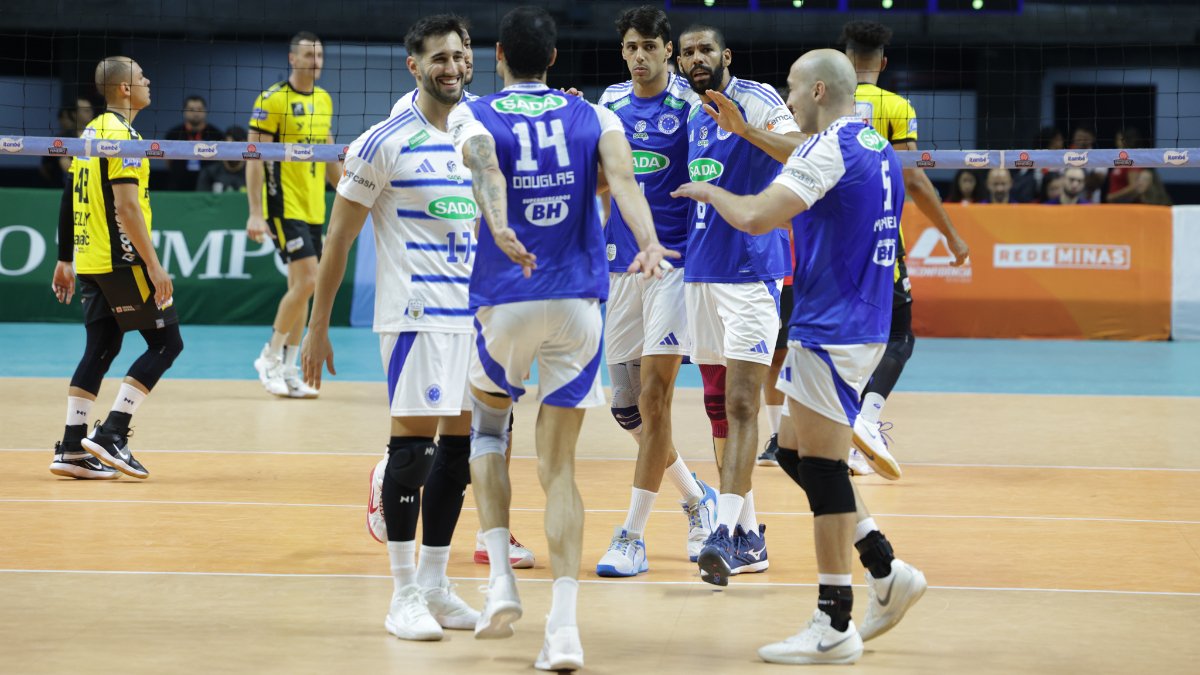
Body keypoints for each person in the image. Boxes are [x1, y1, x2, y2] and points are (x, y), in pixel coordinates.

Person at [673, 48, 926, 666]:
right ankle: (885, 569)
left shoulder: (827, 147)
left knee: (820, 467)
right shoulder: (873, 144)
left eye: (791, 88)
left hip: (831, 326)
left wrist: (710, 190)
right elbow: (807, 165)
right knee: (794, 454)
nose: (785, 100)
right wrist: (745, 131)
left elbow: (758, 217)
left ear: (817, 91)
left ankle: (834, 621)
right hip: (857, 320)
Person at [448, 6, 675, 670]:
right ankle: (565, 631)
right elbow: (627, 184)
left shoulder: (475, 113)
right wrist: (651, 241)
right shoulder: (596, 115)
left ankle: (500, 585)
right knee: (560, 469)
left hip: (508, 297)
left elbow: (486, 169)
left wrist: (499, 223)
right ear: (553, 59)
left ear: (496, 56)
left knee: (488, 432)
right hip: (580, 303)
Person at [302, 15, 481, 643]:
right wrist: (316, 325)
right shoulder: (384, 140)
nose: (452, 67)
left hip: (474, 317)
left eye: (460, 55)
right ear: (414, 65)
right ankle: (402, 593)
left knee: (461, 453)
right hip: (415, 319)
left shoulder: (475, 127)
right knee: (412, 454)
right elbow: (339, 238)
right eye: (439, 58)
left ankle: (436, 582)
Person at [672, 23, 804, 585]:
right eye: (689, 52)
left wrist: (744, 130)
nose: (697, 58)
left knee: (747, 405)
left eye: (706, 49)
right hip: (700, 272)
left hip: (751, 272)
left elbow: (803, 150)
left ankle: (723, 535)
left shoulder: (757, 99)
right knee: (720, 406)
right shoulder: (688, 112)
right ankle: (749, 534)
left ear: (726, 55)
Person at [591, 5, 716, 578]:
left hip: (673, 266)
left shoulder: (690, 108)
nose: (640, 56)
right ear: (623, 53)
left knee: (656, 399)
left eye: (650, 46)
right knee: (626, 406)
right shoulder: (608, 106)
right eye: (631, 47)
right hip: (621, 269)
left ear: (669, 50)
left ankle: (632, 536)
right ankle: (696, 498)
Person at [841, 20, 969, 479]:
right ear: (883, 62)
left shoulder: (823, 101)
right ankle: (865, 423)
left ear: (845, 54)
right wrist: (952, 236)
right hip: (878, 234)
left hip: (828, 236)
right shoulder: (895, 106)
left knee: (846, 335)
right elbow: (912, 176)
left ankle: (843, 442)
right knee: (899, 335)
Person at [49, 56, 183, 481]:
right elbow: (126, 207)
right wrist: (155, 266)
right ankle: (112, 434)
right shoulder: (121, 136)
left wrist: (66, 256)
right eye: (142, 77)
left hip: (90, 258)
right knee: (167, 344)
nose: (148, 82)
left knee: (101, 346)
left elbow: (70, 195)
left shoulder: (91, 132)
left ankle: (72, 447)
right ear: (124, 89)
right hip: (120, 259)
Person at [246, 31, 340, 399]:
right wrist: (256, 213)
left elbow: (329, 153)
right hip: (283, 205)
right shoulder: (272, 100)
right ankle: (269, 357)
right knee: (307, 282)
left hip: (315, 206)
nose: (315, 60)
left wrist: (351, 188)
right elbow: (254, 157)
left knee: (303, 289)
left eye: (319, 54)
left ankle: (287, 368)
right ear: (292, 59)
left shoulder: (324, 99)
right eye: (308, 54)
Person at [165, 95, 224, 191]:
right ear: (184, 112)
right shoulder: (174, 134)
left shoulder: (216, 134)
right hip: (178, 186)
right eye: (191, 109)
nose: (196, 113)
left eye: (199, 109)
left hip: (208, 185)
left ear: (205, 111)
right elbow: (168, 162)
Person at [196, 125, 248, 193]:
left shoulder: (252, 174)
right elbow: (201, 200)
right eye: (230, 146)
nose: (234, 151)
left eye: (238, 147)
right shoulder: (209, 173)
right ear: (223, 146)